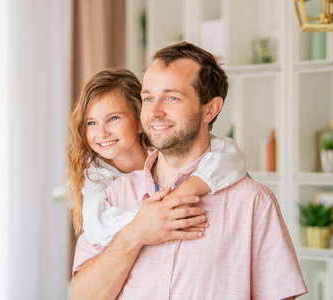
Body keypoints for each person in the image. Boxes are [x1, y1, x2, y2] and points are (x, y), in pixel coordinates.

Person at [71, 42, 307, 300]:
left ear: (210, 109)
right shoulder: (113, 196)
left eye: (172, 97)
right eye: (148, 98)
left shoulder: (252, 202)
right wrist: (133, 235)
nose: (155, 111)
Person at [67, 69, 246, 248]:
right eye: (91, 123)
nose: (102, 133)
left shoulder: (165, 148)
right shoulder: (96, 175)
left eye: (113, 118)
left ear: (140, 121)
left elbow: (231, 154)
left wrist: (186, 191)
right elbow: (98, 229)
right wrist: (151, 217)